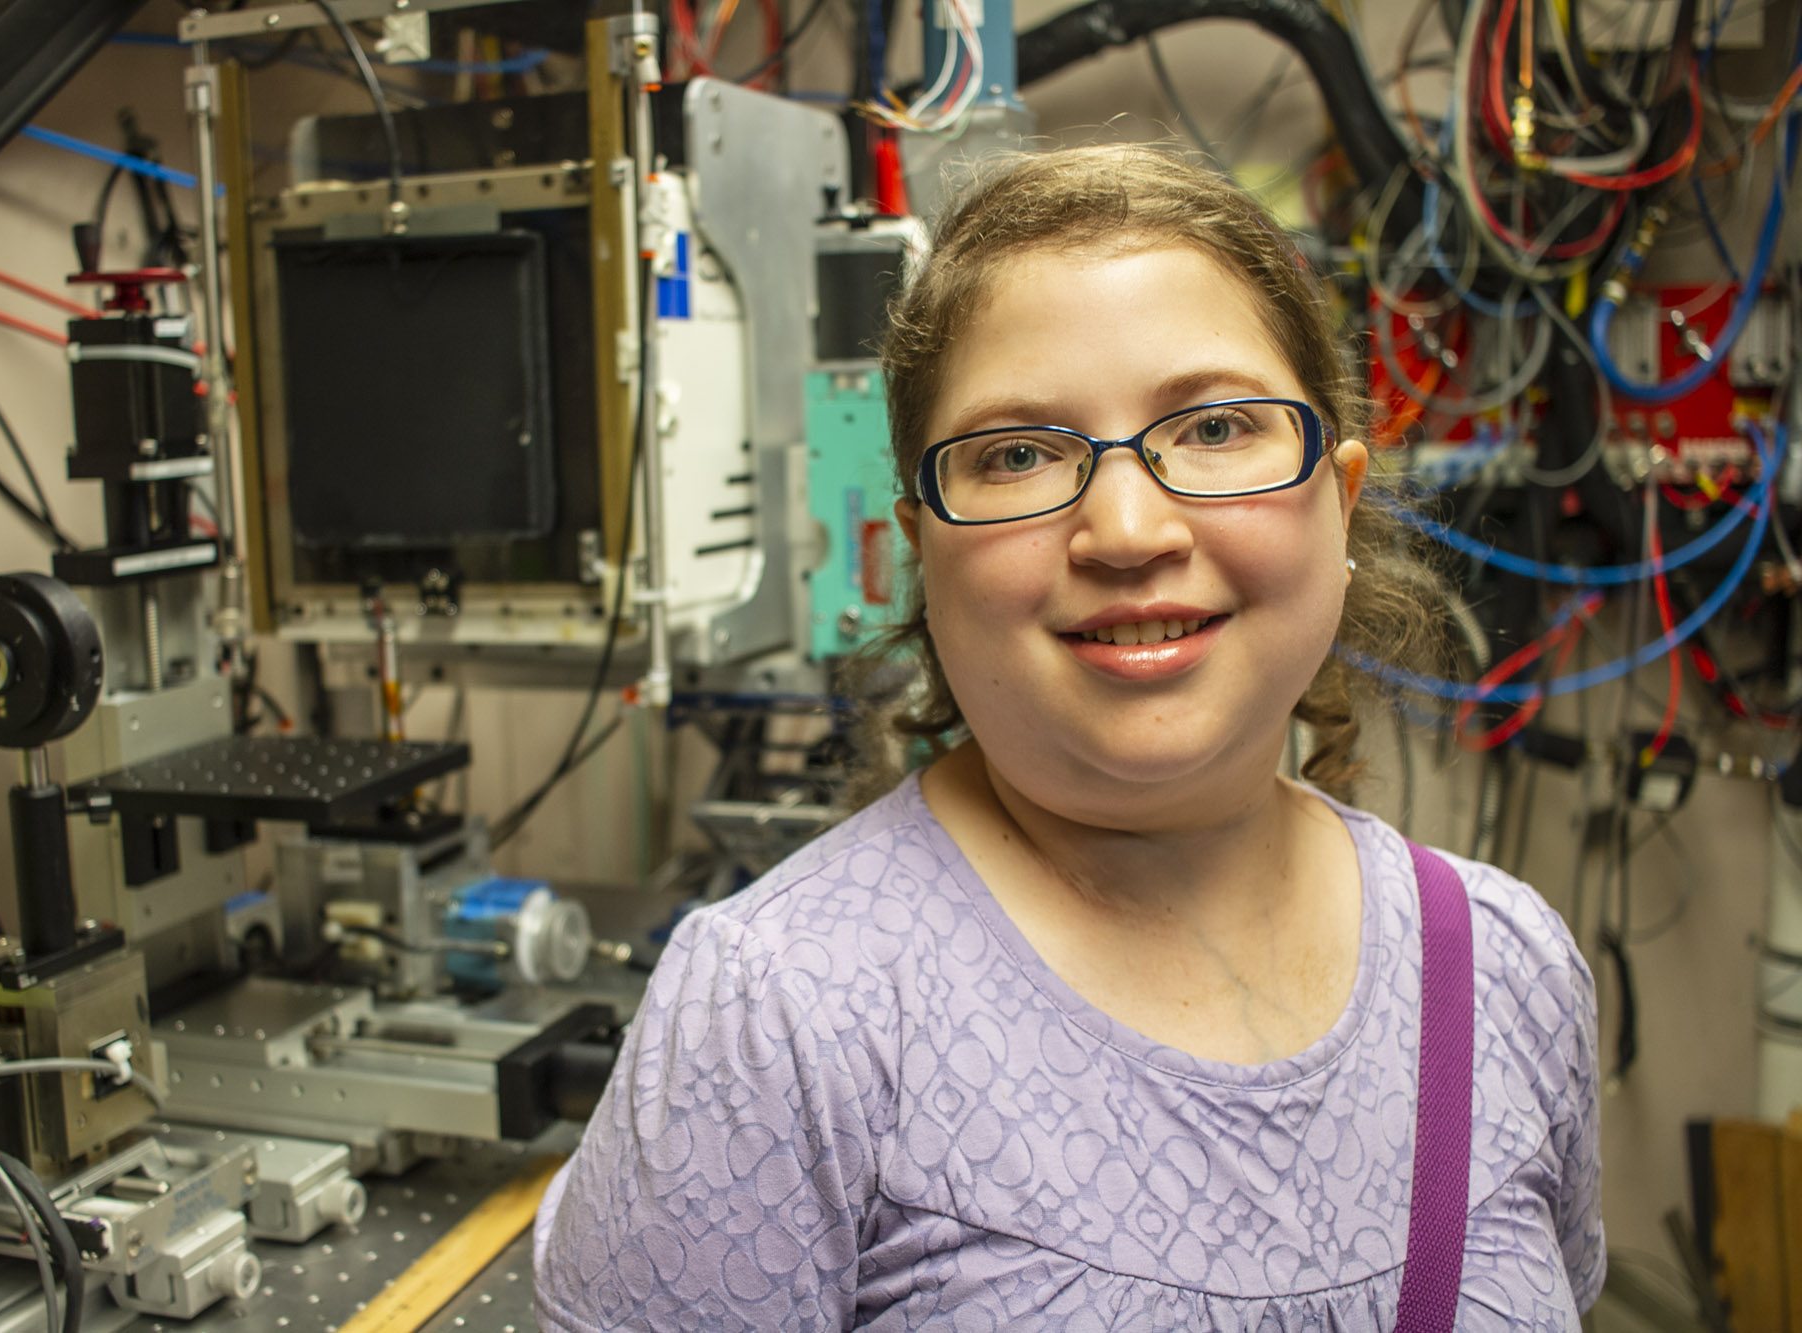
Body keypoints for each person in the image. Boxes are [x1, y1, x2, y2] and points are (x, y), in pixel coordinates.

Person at [534, 144, 1603, 1331]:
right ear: (914, 550)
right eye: (1018, 454)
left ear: (1338, 499)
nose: (1127, 528)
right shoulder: (777, 1019)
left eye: (1211, 427)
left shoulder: (1503, 968)